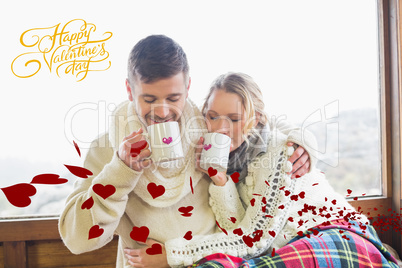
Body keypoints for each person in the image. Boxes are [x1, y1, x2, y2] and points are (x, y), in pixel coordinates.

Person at [58, 35, 315, 268]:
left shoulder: (209, 128)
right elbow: (77, 241)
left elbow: (255, 120)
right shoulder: (110, 148)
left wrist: (301, 141)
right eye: (148, 99)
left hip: (213, 262)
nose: (162, 112)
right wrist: (120, 171)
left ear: (188, 87)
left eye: (173, 98)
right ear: (129, 90)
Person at [150, 72, 398, 267]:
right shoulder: (226, 158)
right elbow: (238, 229)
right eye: (212, 116)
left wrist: (173, 255)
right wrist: (220, 180)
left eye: (234, 119)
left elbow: (254, 241)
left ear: (255, 118)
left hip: (339, 236)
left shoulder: (279, 151)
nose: (219, 128)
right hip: (292, 248)